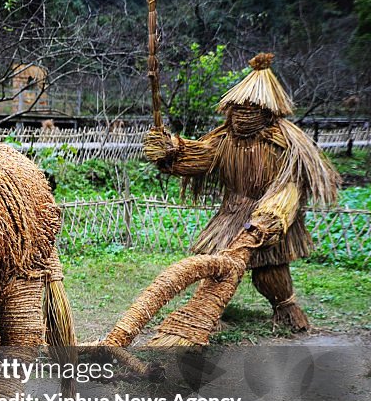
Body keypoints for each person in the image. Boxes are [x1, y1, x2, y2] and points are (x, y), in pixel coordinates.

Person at [143, 52, 340, 331]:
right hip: (233, 211)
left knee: (269, 271)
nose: (244, 114)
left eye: (252, 109)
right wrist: (172, 150)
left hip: (266, 215)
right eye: (238, 109)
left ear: (268, 111)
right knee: (217, 263)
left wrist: (272, 216)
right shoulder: (224, 140)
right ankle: (209, 310)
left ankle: (286, 308)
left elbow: (290, 185)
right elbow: (200, 156)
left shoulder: (283, 144)